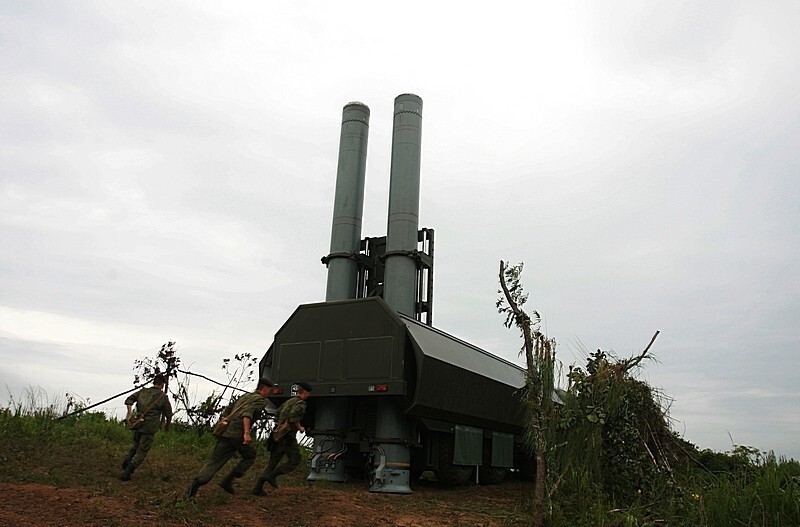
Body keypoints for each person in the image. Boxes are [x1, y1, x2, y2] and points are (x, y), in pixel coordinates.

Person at [185, 377, 273, 498]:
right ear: (265, 388)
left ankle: (192, 490)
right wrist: (246, 433)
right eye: (269, 390)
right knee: (250, 456)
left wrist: (225, 424)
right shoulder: (260, 401)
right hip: (238, 434)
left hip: (226, 432)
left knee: (215, 462)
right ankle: (228, 480)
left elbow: (228, 410)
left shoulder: (245, 396)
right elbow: (247, 415)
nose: (269, 393)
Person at [252, 381, 312, 495]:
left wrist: (279, 427)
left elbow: (277, 413)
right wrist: (300, 428)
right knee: (295, 460)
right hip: (287, 437)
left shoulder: (289, 402)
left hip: (277, 435)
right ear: (305, 393)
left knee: (272, 462)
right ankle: (273, 475)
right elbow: (293, 418)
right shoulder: (301, 404)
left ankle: (257, 488)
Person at [120, 374, 173, 481]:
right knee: (142, 450)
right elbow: (169, 414)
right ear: (162, 384)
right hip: (149, 427)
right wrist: (167, 425)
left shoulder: (143, 391)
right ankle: (128, 471)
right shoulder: (162, 397)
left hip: (138, 424)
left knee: (136, 445)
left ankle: (127, 461)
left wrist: (129, 414)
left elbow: (129, 400)